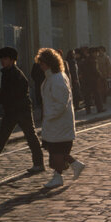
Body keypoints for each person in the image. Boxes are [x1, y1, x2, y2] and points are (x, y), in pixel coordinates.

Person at [0, 47, 45, 175]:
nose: (2, 61)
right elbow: (5, 95)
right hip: (12, 110)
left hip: (21, 110)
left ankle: (39, 163)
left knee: (30, 136)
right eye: (1, 59)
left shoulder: (15, 74)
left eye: (5, 59)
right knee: (1, 138)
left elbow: (6, 95)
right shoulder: (7, 72)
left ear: (12, 60)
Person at [35, 48, 85, 189]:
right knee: (56, 150)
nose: (41, 66)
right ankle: (74, 167)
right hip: (55, 122)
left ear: (50, 63)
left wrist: (49, 116)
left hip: (59, 122)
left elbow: (61, 102)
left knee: (57, 151)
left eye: (42, 63)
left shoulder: (57, 78)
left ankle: (62, 175)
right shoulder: (51, 77)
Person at [78, 47, 105, 114]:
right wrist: (101, 76)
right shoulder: (93, 60)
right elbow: (95, 70)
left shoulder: (85, 60)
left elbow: (81, 70)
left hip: (86, 80)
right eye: (96, 52)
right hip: (93, 80)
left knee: (87, 96)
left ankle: (88, 110)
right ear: (93, 53)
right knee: (97, 94)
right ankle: (100, 108)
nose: (97, 54)